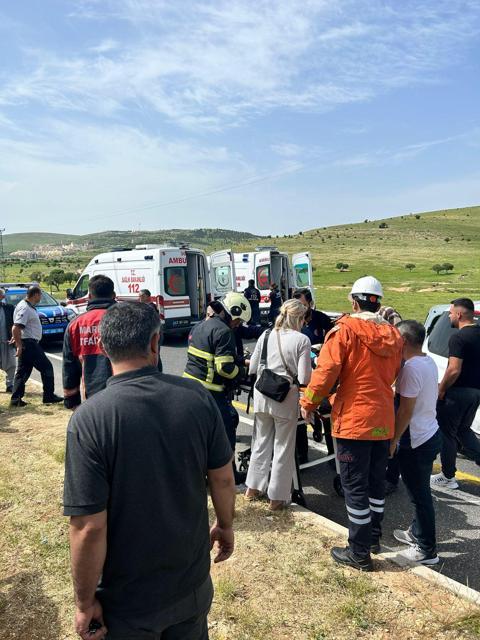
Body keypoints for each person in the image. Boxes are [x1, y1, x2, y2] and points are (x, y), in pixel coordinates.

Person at [63, 302, 235, 640]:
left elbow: (88, 527)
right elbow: (223, 478)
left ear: (103, 347)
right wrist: (226, 525)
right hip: (191, 587)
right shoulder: (197, 398)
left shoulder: (90, 420)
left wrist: (84, 603)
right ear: (155, 344)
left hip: (127, 602)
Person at [300, 276, 403, 571]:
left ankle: (358, 552)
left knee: (354, 485)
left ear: (354, 302)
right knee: (374, 483)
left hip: (354, 420)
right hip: (383, 417)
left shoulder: (345, 330)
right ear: (378, 302)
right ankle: (372, 538)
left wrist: (308, 403)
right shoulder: (394, 336)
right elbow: (394, 373)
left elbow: (326, 372)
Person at [245, 299, 311, 510]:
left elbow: (253, 367)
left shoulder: (265, 334)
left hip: (262, 393)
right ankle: (277, 498)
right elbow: (304, 377)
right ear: (300, 318)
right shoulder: (302, 340)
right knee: (283, 447)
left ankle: (252, 488)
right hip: (284, 398)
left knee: (261, 442)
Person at [184, 292, 251, 486]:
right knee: (227, 426)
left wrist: (239, 359)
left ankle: (201, 472)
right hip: (210, 392)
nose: (238, 324)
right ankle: (228, 474)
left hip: (191, 388)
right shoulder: (224, 332)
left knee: (200, 434)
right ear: (232, 312)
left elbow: (211, 356)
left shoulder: (200, 326)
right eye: (238, 320)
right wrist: (242, 372)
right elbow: (225, 368)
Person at [390, 320, 441, 565]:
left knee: (419, 495)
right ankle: (416, 532)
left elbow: (405, 411)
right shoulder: (427, 360)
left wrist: (393, 440)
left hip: (416, 439)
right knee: (419, 492)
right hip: (430, 432)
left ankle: (427, 550)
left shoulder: (410, 368)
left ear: (404, 342)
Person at [431, 298, 480, 489]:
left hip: (457, 393)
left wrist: (441, 389)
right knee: (463, 430)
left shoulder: (458, 338)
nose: (450, 315)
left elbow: (453, 369)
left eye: (451, 312)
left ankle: (447, 476)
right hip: (475, 393)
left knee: (447, 433)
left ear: (459, 314)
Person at [63, 275, 116, 409]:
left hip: (93, 400)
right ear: (114, 295)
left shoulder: (75, 325)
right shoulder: (128, 319)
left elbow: (69, 366)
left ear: (90, 297)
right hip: (127, 397)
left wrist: (71, 401)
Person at [10, 286, 62, 407]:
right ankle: (48, 396)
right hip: (29, 344)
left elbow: (19, 327)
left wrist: (17, 338)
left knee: (23, 372)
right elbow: (16, 327)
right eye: (40, 295)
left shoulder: (26, 306)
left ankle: (15, 399)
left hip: (28, 342)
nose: (41, 297)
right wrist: (18, 344)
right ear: (35, 295)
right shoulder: (25, 308)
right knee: (47, 368)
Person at [0, 287, 16, 393]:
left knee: (12, 364)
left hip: (8, 342)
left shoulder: (9, 308)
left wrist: (15, 337)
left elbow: (16, 324)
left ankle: (10, 384)